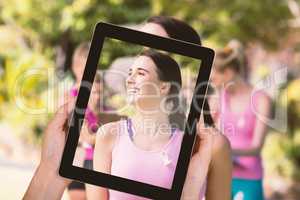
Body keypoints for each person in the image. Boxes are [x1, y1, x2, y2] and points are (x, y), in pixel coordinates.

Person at [87, 49, 231, 200]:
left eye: (141, 73)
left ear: (164, 87)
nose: (129, 79)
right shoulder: (108, 135)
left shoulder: (195, 144)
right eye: (130, 73)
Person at [210, 40, 271, 200]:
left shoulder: (261, 99)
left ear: (228, 73)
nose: (211, 80)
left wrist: (226, 152)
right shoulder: (216, 99)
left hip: (249, 178)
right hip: (220, 175)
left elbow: (257, 147)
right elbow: (210, 136)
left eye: (214, 76)